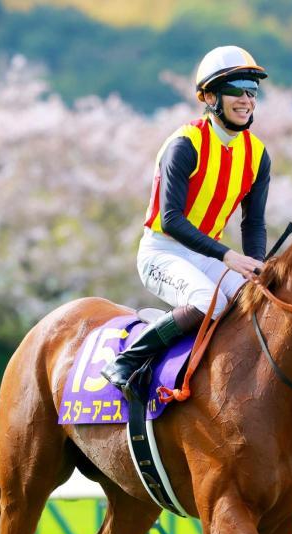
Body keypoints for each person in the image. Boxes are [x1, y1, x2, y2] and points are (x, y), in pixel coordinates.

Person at [101, 45, 271, 398]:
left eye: (252, 90)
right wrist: (228, 256)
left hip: (206, 255)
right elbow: (171, 219)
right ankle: (127, 361)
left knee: (254, 300)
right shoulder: (185, 144)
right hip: (162, 251)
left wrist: (256, 266)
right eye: (236, 89)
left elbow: (253, 223)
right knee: (210, 301)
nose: (246, 99)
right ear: (209, 97)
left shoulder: (257, 154)